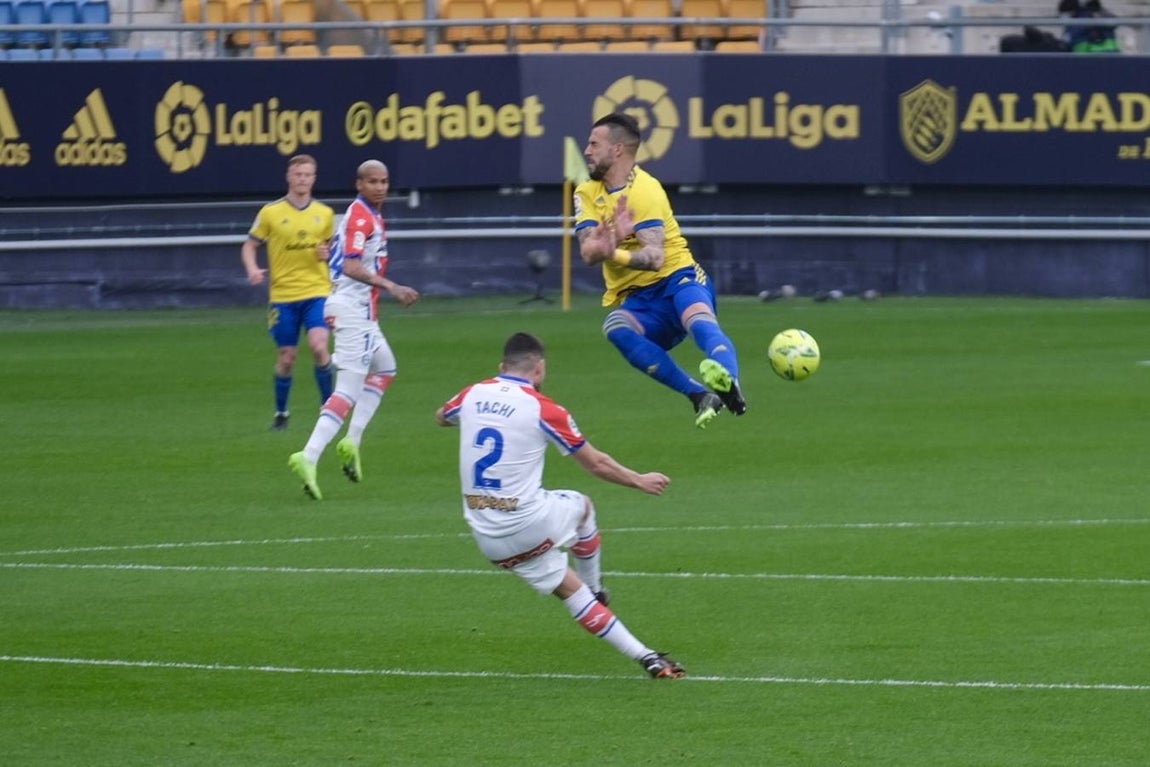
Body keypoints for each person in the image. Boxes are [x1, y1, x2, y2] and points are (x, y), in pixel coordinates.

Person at [435, 332, 686, 679]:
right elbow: (596, 464)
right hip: (530, 522)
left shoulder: (472, 394)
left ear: (501, 366)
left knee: (569, 591)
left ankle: (648, 658)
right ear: (539, 368)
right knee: (583, 507)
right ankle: (596, 589)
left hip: (487, 536)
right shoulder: (544, 409)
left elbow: (441, 416)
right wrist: (638, 480)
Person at [574, 112, 746, 430]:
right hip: (639, 298)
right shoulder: (586, 192)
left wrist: (613, 250)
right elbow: (587, 252)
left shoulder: (645, 190)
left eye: (594, 144)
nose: (586, 151)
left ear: (617, 149)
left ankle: (730, 383)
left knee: (698, 318)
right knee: (615, 327)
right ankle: (699, 395)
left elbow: (654, 257)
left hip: (678, 277)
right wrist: (608, 242)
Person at [288, 160, 419, 500]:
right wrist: (391, 286)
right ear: (359, 184)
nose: (380, 187)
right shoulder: (361, 216)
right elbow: (350, 265)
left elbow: (337, 254)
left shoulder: (365, 215)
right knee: (346, 391)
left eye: (384, 181)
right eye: (372, 181)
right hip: (352, 312)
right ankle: (308, 456)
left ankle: (352, 441)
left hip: (361, 313)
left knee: (385, 368)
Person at [241, 154, 336, 431]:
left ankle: (330, 410)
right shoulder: (270, 213)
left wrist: (328, 253)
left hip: (317, 291)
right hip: (283, 297)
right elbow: (249, 245)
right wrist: (252, 268)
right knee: (287, 357)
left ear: (314, 178)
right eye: (298, 174)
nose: (302, 179)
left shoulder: (325, 214)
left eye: (307, 175)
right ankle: (281, 413)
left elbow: (335, 251)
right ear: (289, 177)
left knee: (319, 346)